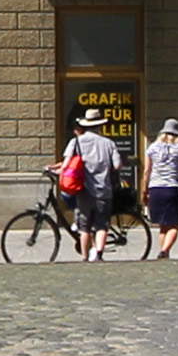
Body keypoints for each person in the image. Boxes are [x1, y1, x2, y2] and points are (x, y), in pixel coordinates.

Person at [61, 107, 120, 260]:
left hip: (83, 190)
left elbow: (66, 164)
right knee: (102, 225)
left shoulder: (76, 142)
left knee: (84, 227)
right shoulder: (109, 143)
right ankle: (99, 253)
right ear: (100, 125)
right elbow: (117, 165)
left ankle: (85, 257)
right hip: (103, 189)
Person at [141, 118, 178, 258]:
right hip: (173, 189)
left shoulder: (152, 148)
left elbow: (146, 171)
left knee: (162, 226)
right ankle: (164, 251)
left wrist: (144, 191)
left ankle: (165, 252)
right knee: (174, 224)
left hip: (155, 189)